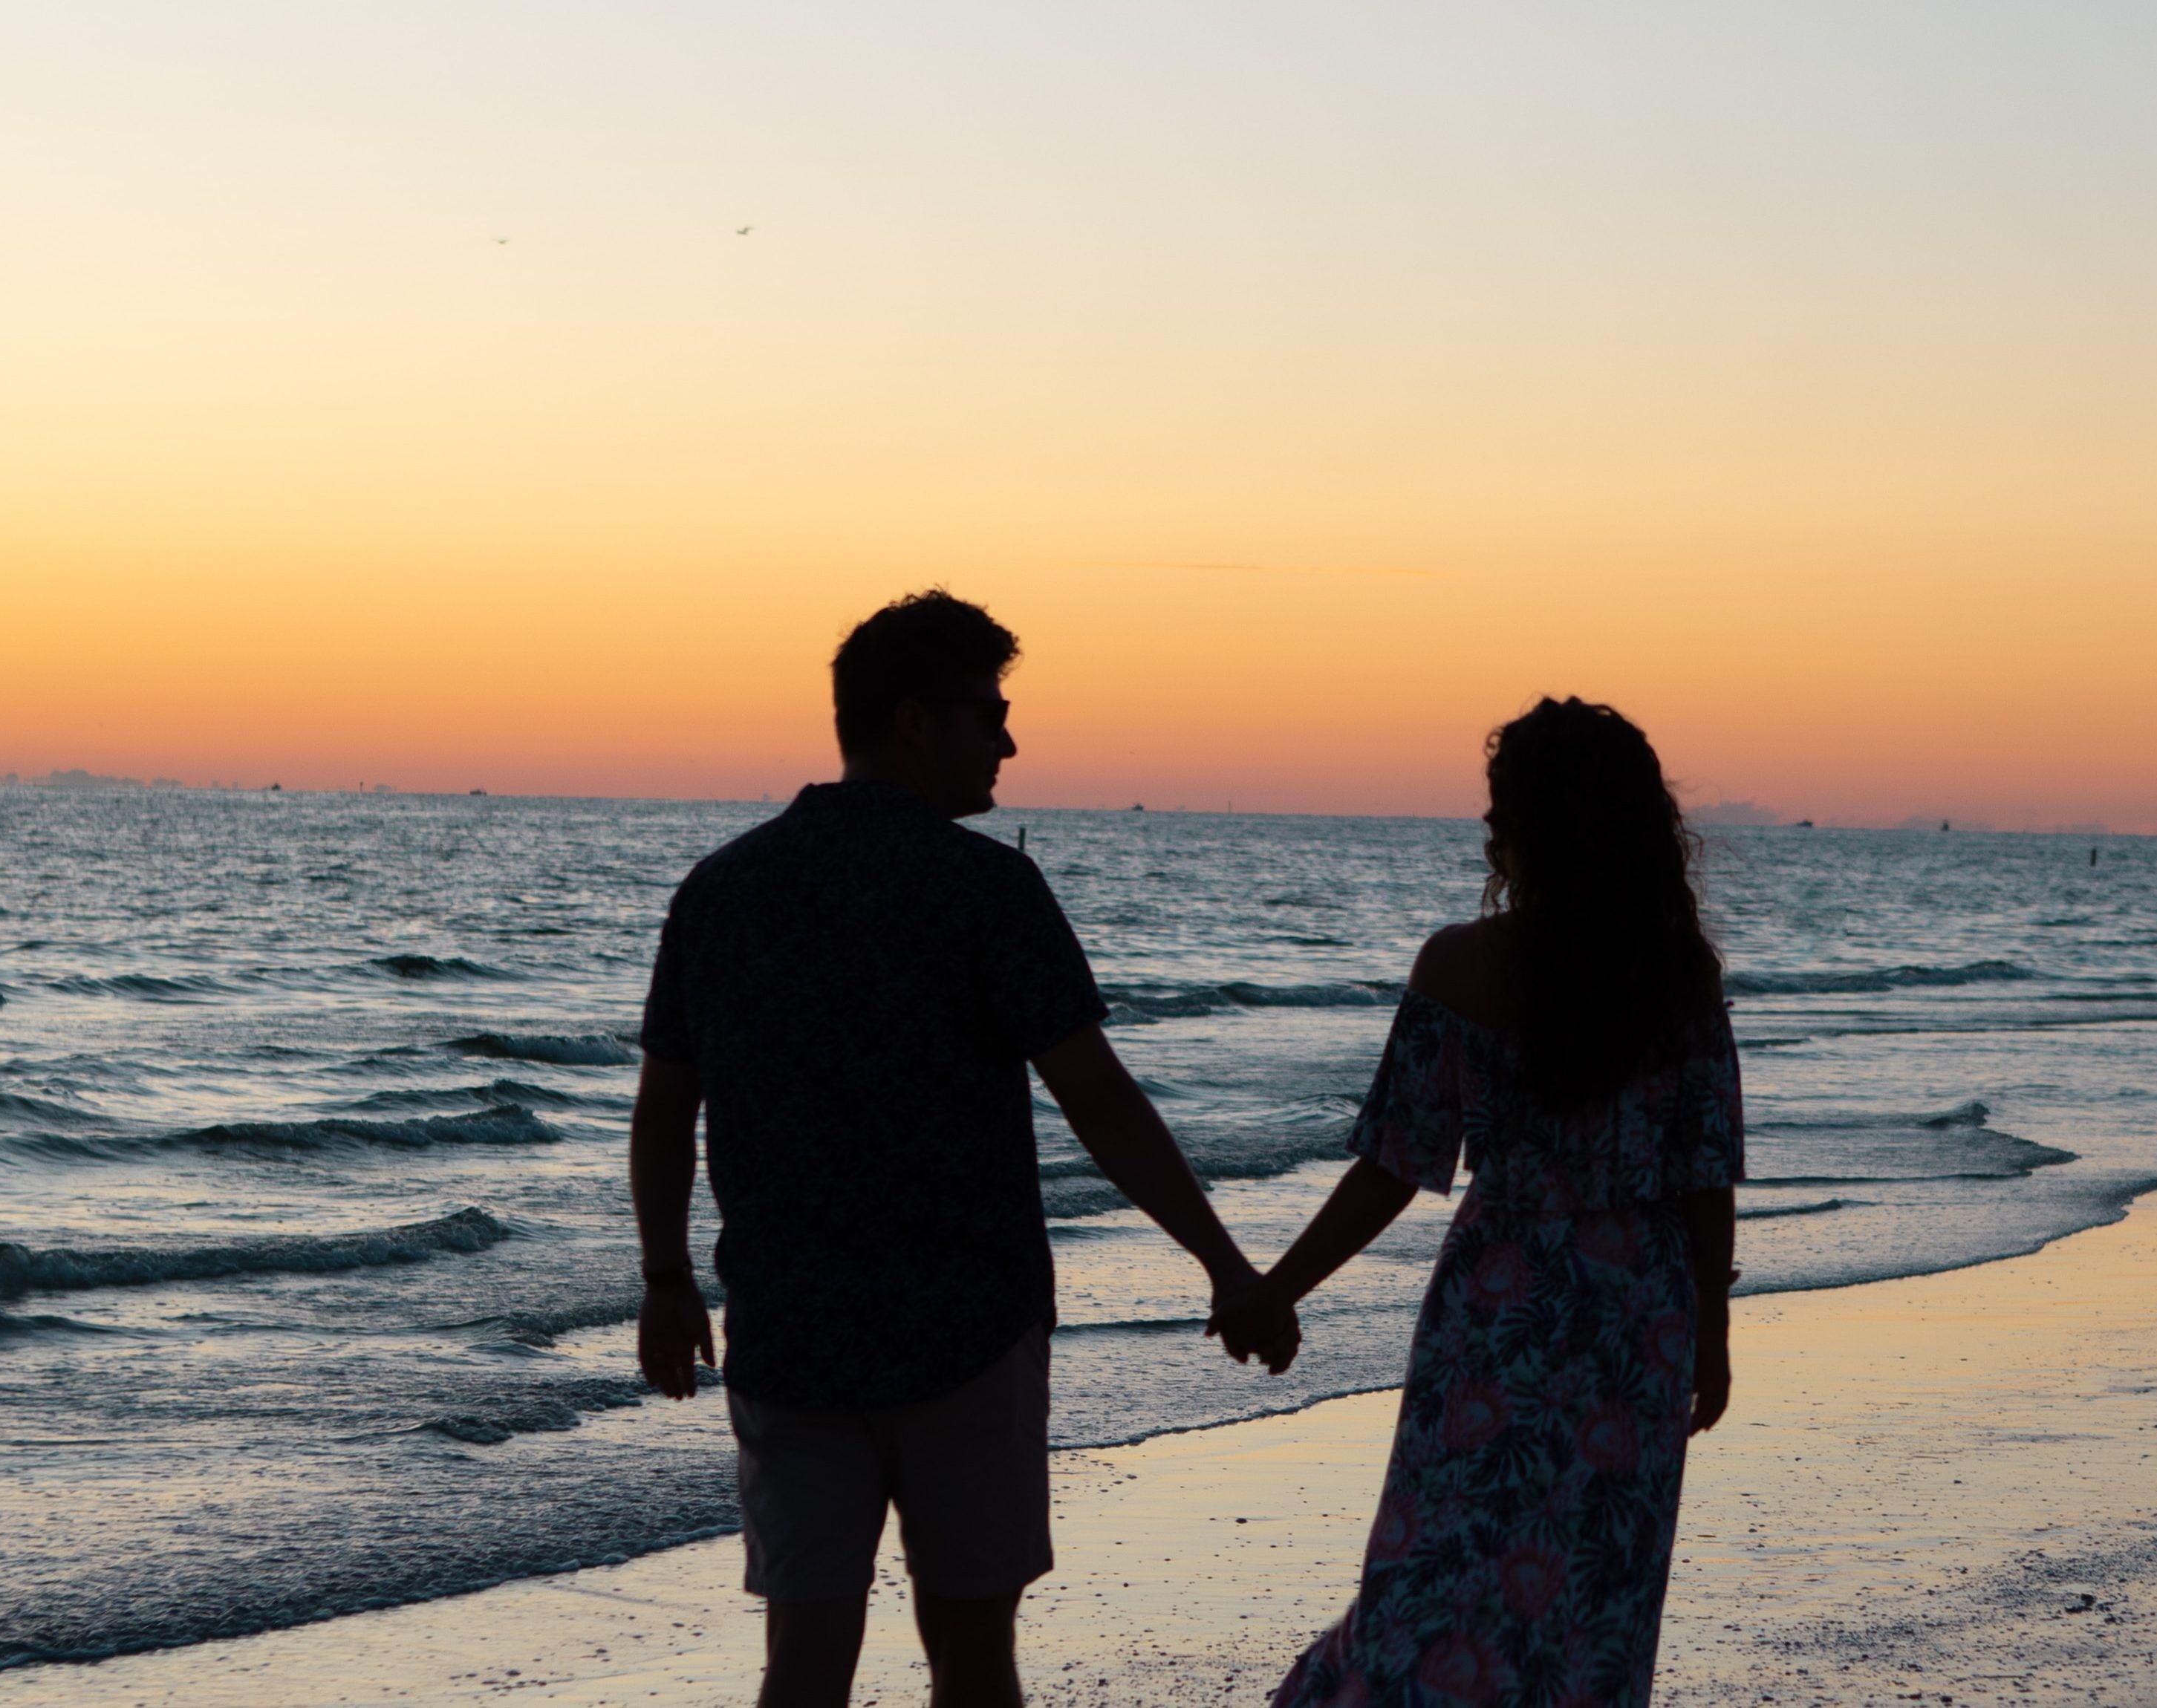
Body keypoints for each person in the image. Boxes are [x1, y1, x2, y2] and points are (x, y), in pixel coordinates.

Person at [628, 590, 1298, 1708]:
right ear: (914, 721)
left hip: (792, 1331)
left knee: (802, 1660)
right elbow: (1098, 1096)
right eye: (990, 713)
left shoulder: (724, 889)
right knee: (975, 1658)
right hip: (968, 1332)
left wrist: (663, 1279)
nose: (1009, 740)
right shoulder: (986, 888)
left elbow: (663, 1109)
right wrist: (1227, 1267)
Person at [1211, 697, 1744, 1708]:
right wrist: (1710, 1331)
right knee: (1596, 1596)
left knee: (1434, 1577)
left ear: (1525, 824)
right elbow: (1702, 1172)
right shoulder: (1678, 974)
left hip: (1503, 1302)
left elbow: (1395, 1165)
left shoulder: (1460, 965)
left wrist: (1277, 1287)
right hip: (1639, 1313)